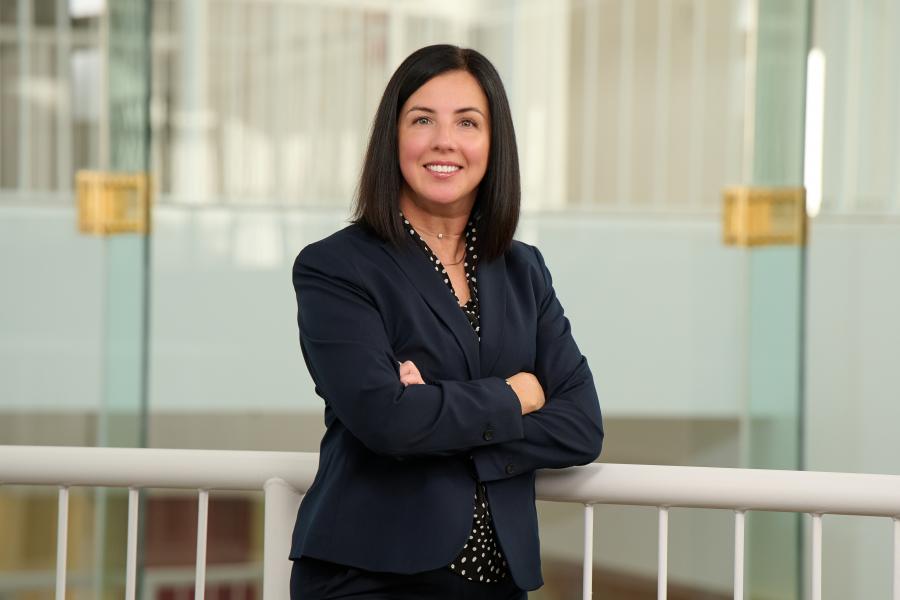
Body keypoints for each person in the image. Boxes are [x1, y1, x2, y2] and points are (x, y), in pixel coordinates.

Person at [290, 44, 603, 599]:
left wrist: (430, 413)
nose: (444, 141)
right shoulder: (337, 266)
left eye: (467, 122)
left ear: (492, 143)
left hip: (498, 582)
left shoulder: (523, 269)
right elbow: (384, 420)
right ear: (394, 138)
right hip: (369, 578)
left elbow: (580, 425)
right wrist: (515, 395)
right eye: (422, 120)